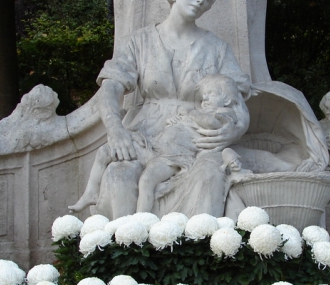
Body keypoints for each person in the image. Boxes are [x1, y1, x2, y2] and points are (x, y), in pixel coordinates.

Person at [80, 0, 252, 219]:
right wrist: (115, 130)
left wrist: (235, 129)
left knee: (210, 176)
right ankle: (127, 248)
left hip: (193, 140)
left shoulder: (217, 48)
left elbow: (237, 102)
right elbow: (111, 87)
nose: (201, 0)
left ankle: (199, 250)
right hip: (145, 134)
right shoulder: (140, 42)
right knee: (119, 175)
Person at [69, 73, 242, 213]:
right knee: (105, 151)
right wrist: (178, 121)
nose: (205, 98)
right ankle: (91, 192)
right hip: (156, 144)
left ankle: (141, 222)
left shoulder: (224, 114)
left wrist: (190, 112)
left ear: (227, 100)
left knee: (146, 181)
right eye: (205, 95)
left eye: (211, 94)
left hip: (173, 157)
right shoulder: (200, 113)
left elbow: (212, 123)